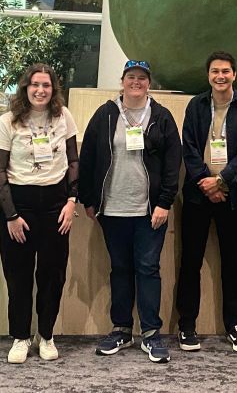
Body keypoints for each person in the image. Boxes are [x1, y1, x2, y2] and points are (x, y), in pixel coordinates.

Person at [79, 60, 181, 364]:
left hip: (150, 210)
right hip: (112, 208)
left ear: (148, 83)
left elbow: (173, 163)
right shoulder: (105, 114)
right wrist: (88, 198)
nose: (136, 82)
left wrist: (165, 202)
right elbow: (88, 158)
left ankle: (151, 333)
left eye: (142, 78)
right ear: (122, 81)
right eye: (131, 77)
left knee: (148, 269)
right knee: (120, 269)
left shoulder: (161, 116)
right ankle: (121, 329)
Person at [0, 64, 79, 364]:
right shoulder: (7, 121)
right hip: (19, 205)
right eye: (35, 85)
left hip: (55, 204)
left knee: (53, 275)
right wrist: (10, 215)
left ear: (54, 89)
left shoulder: (63, 116)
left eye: (47, 85)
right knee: (18, 276)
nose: (41, 90)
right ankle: (21, 337)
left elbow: (74, 161)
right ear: (25, 88)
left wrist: (71, 200)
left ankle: (46, 335)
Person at [176, 51, 237, 353]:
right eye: (214, 71)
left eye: (225, 71)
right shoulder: (196, 105)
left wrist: (221, 180)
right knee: (190, 262)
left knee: (231, 263)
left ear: (234, 74)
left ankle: (234, 325)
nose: (220, 76)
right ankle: (187, 325)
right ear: (208, 75)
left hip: (230, 195)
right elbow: (190, 147)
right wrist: (206, 182)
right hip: (198, 194)